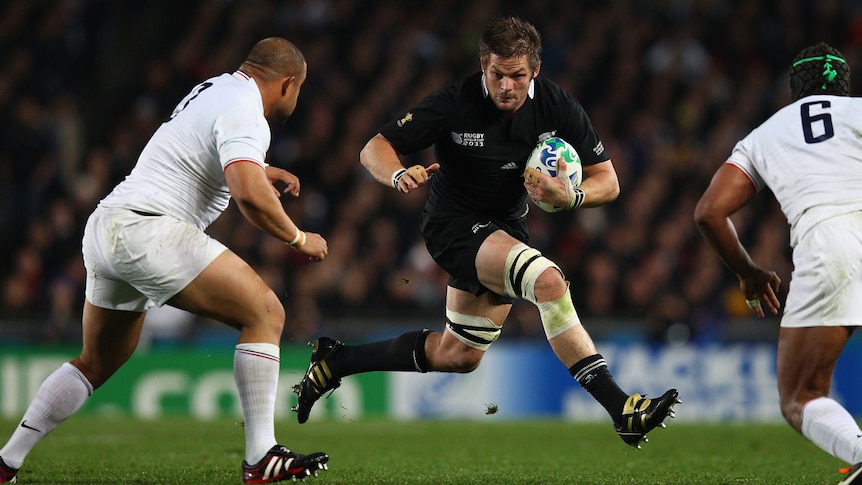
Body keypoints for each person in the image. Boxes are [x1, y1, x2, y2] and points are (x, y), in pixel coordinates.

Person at [292, 17, 680, 448]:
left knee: (458, 356)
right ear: (483, 65)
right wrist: (398, 173)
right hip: (452, 226)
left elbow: (608, 181)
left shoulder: (557, 106)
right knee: (548, 281)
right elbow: (373, 148)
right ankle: (622, 408)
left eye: (517, 75)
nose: (507, 86)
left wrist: (571, 196)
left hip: (505, 229)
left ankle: (337, 359)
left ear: (534, 70)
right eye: (497, 74)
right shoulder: (454, 103)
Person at [0, 37, 330, 484]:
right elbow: (249, 195)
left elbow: (197, 155)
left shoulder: (216, 88)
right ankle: (261, 456)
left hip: (109, 224)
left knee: (96, 361)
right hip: (150, 229)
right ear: (289, 83)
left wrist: (259, 168)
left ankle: (6, 462)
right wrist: (298, 237)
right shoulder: (247, 109)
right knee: (266, 312)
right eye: (300, 90)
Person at [694, 42, 862, 485]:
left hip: (829, 246)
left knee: (800, 396)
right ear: (844, 89)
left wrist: (748, 273)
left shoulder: (767, 133)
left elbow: (709, 212)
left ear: (793, 93)